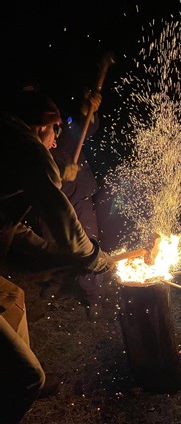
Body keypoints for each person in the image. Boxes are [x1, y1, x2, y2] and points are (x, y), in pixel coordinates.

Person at [0, 89, 114, 424]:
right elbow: (68, 231)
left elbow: (10, 229)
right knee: (26, 377)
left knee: (12, 298)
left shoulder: (10, 139)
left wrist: (52, 256)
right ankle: (22, 374)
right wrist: (95, 258)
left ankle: (17, 366)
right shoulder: (29, 149)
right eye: (54, 134)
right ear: (43, 127)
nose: (54, 144)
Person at [40, 88, 105, 321]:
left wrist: (88, 111)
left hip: (80, 197)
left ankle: (93, 296)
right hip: (49, 200)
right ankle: (57, 279)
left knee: (86, 244)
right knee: (53, 243)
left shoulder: (63, 128)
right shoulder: (29, 143)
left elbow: (87, 127)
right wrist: (58, 173)